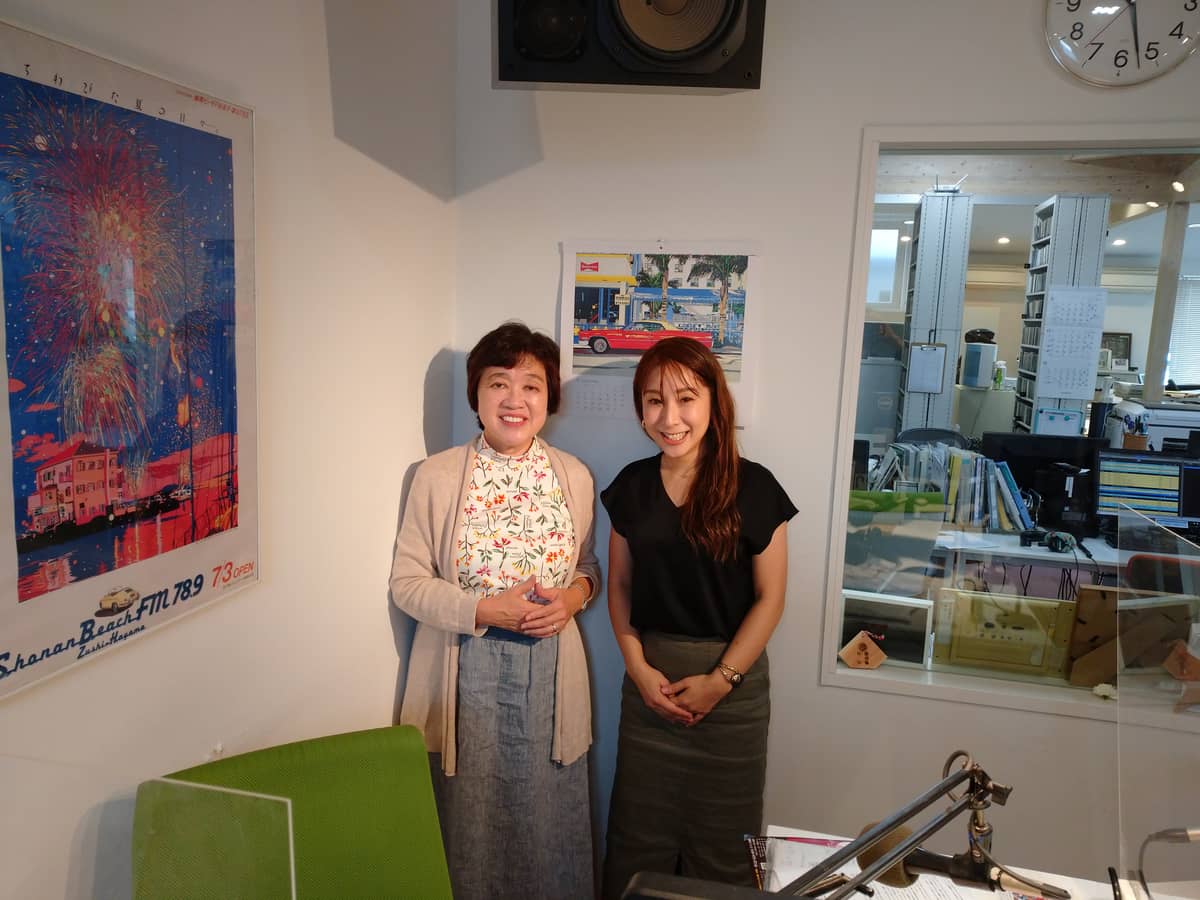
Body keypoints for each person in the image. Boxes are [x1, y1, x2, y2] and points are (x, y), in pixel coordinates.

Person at [390, 321, 601, 900]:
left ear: (549, 399)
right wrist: (484, 610)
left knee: (547, 829)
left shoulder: (574, 476)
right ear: (476, 395)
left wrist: (572, 601)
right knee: (467, 832)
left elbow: (588, 568)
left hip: (551, 680)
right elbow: (407, 584)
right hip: (464, 678)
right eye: (498, 383)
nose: (515, 399)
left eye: (531, 385)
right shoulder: (436, 476)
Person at [601, 337, 796, 897]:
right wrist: (638, 670)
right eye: (654, 401)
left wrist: (720, 681)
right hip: (650, 690)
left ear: (714, 400)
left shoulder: (756, 487)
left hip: (733, 697)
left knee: (724, 851)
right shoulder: (632, 487)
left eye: (686, 398)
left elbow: (771, 598)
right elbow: (619, 585)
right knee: (636, 845)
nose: (670, 418)